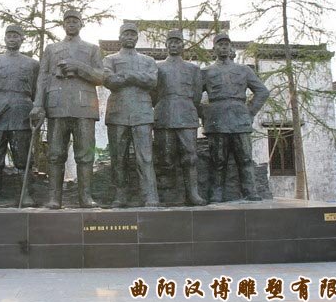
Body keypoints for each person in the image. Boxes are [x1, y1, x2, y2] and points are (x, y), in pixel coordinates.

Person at [30, 10, 103, 209]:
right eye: (68, 21)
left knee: (85, 155)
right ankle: (54, 198)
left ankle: (85, 198)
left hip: (84, 107)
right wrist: (38, 104)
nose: (71, 24)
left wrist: (79, 67)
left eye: (75, 21)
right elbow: (43, 78)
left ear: (81, 24)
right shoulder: (51, 49)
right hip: (57, 106)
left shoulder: (92, 49)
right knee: (55, 154)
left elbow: (101, 77)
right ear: (63, 25)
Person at [202, 33, 270, 202]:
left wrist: (250, 111)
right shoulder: (206, 72)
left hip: (240, 119)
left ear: (231, 48)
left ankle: (250, 191)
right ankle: (216, 193)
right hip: (217, 120)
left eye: (226, 44)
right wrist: (206, 114)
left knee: (245, 158)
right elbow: (194, 97)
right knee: (218, 160)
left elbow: (262, 91)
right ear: (214, 49)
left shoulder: (244, 70)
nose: (224, 47)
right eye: (220, 45)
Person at [0, 24, 39, 207]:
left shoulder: (32, 64)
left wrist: (36, 110)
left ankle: (26, 195)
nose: (12, 39)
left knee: (23, 159)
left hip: (22, 114)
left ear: (22, 39)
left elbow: (38, 92)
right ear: (4, 39)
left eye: (16, 36)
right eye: (9, 36)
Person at [103, 23, 159, 207]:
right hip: (117, 113)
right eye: (126, 34)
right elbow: (109, 80)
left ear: (137, 37)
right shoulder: (110, 59)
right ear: (120, 37)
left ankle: (150, 195)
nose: (129, 37)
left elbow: (152, 81)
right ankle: (120, 195)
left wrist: (128, 76)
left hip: (142, 113)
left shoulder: (148, 61)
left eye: (132, 34)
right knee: (118, 158)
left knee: (145, 157)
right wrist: (137, 77)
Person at [153, 29, 207, 206]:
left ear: (183, 45)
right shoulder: (157, 67)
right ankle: (169, 194)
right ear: (166, 45)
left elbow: (197, 95)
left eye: (177, 42)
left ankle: (193, 194)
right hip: (164, 114)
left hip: (186, 115)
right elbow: (153, 94)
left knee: (190, 156)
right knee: (165, 156)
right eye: (171, 42)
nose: (174, 45)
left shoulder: (193, 69)